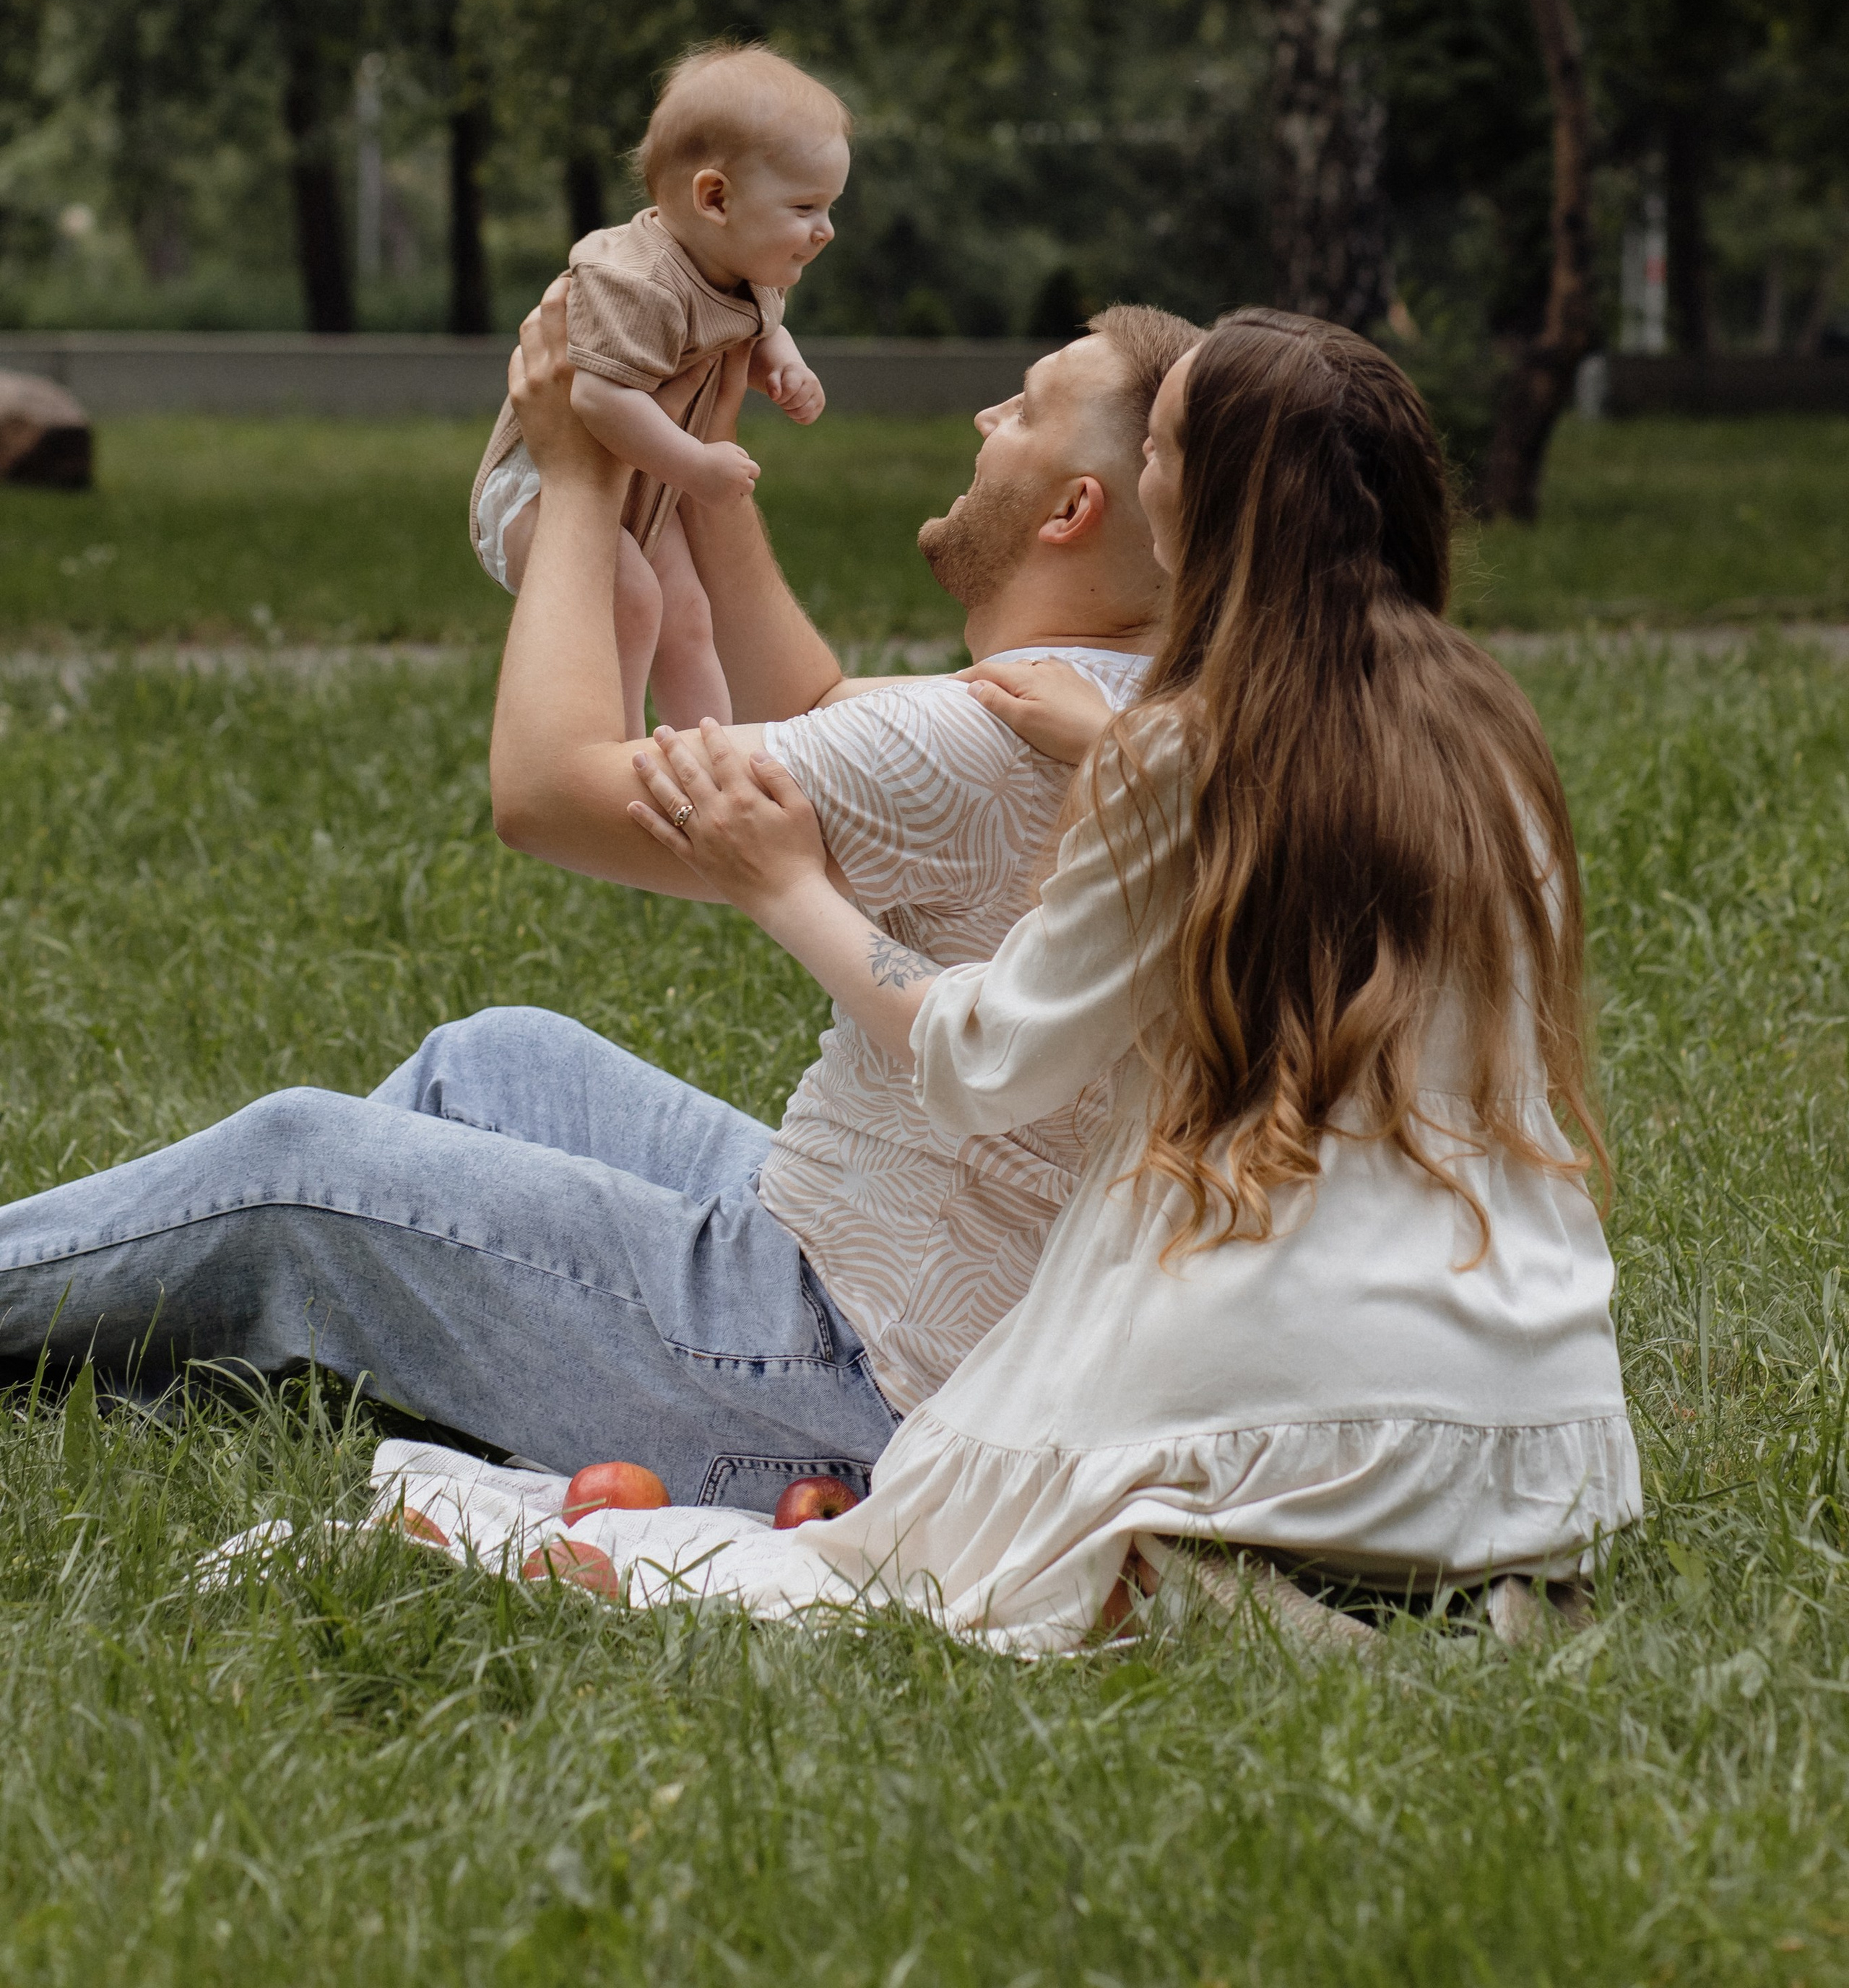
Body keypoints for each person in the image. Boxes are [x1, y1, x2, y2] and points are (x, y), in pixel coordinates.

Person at [0, 288, 1199, 1516]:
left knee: (303, 1167)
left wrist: (575, 481)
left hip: (840, 1379)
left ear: (1073, 508)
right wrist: (694, 476)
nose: (987, 413)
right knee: (502, 1062)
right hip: (893, 1281)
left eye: (1027, 408)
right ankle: (219, 1345)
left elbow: (546, 793)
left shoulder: (975, 738)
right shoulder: (1138, 709)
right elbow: (837, 711)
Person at [609, 309, 1641, 1649]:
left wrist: (782, 885)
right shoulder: (1487, 739)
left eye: (1158, 449)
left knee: (928, 1545)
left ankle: (1239, 1578)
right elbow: (1279, 828)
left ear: (1195, 501)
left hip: (1293, 1426)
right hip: (1538, 1442)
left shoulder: (1181, 763)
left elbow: (988, 1060)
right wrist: (1120, 747)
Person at [471, 42, 848, 736]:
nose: (824, 230)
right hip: (539, 490)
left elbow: (758, 329)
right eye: (805, 207)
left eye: (829, 207)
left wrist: (784, 365)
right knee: (635, 600)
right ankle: (609, 763)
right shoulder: (638, 284)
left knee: (687, 615)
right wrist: (697, 466)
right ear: (715, 198)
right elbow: (598, 400)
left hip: (639, 493)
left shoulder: (743, 267)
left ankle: (715, 760)